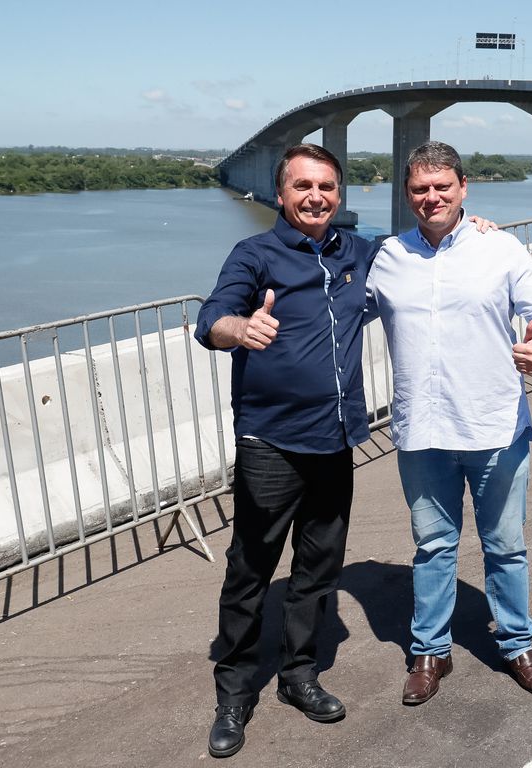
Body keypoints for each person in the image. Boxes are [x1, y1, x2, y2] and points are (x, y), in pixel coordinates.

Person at [365, 140, 532, 706]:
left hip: (494, 425)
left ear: (463, 189)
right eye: (420, 188)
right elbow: (335, 308)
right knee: (433, 546)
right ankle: (430, 651)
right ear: (407, 194)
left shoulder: (498, 247)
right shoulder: (386, 257)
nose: (431, 197)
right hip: (422, 430)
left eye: (442, 187)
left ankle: (518, 645)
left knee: (505, 546)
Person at [194, 144, 370, 758]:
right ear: (280, 193)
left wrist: (470, 228)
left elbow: (423, 253)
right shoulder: (255, 255)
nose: (315, 197)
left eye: (326, 186)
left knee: (319, 568)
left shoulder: (357, 252)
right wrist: (241, 329)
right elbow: (212, 318)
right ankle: (235, 693)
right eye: (302, 186)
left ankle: (299, 675)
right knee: (250, 570)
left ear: (338, 194)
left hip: (334, 439)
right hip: (271, 442)